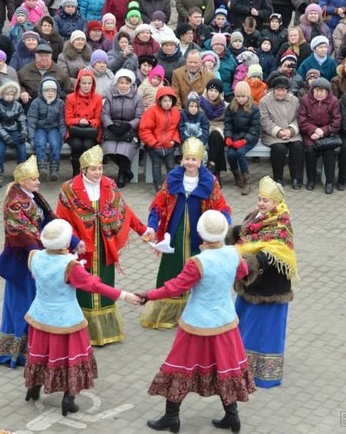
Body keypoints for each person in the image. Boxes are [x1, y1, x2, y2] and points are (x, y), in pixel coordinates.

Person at [139, 209, 255, 433]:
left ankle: (172, 417)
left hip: (197, 324)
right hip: (225, 322)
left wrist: (147, 295)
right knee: (226, 368)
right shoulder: (233, 253)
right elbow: (242, 272)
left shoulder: (197, 262)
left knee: (179, 368)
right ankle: (232, 416)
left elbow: (175, 287)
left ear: (201, 234)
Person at [23, 218, 142, 415]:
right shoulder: (70, 265)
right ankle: (68, 399)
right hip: (66, 319)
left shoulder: (34, 256)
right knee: (71, 358)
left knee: (41, 353)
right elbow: (93, 286)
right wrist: (123, 295)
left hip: (40, 315)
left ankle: (33, 388)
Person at [54, 145, 151, 347]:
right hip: (81, 248)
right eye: (93, 169)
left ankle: (106, 331)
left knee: (104, 285)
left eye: (100, 168)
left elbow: (125, 210)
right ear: (83, 170)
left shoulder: (108, 185)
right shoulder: (68, 190)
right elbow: (62, 221)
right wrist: (74, 241)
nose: (98, 173)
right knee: (84, 286)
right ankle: (83, 333)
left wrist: (142, 229)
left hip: (105, 245)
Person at [0, 156, 82, 367]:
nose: (38, 182)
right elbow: (24, 233)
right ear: (22, 181)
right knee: (23, 304)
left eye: (37, 178)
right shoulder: (14, 203)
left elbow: (52, 220)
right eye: (34, 179)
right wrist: (39, 256)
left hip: (36, 259)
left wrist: (73, 240)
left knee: (35, 301)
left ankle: (35, 347)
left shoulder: (33, 196)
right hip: (23, 263)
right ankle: (16, 352)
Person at [140, 138, 231, 330]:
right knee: (171, 270)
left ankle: (194, 313)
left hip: (200, 237)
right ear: (182, 159)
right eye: (187, 158)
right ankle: (168, 314)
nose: (190, 162)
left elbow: (221, 207)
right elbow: (158, 205)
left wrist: (224, 227)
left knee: (198, 270)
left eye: (194, 159)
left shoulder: (210, 181)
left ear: (200, 161)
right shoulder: (173, 178)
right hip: (175, 233)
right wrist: (151, 226)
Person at [230, 175, 297, 390]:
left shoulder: (280, 225)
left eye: (266, 200)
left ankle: (265, 374)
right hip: (250, 285)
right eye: (259, 198)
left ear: (277, 203)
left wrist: (247, 263)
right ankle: (239, 367)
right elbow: (244, 233)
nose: (261, 203)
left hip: (269, 290)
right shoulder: (257, 216)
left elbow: (270, 256)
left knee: (264, 333)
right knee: (243, 327)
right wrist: (224, 237)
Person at [260, 75, 304, 189]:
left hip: (292, 133)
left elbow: (299, 117)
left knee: (298, 147)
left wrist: (291, 130)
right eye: (278, 90)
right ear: (273, 90)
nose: (280, 93)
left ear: (287, 90)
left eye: (283, 90)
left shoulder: (294, 100)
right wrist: (278, 132)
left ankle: (296, 177)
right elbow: (264, 120)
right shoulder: (265, 101)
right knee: (279, 148)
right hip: (272, 135)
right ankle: (278, 177)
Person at [298, 77, 341, 193]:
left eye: (322, 91)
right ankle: (311, 179)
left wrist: (323, 131)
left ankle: (330, 181)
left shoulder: (334, 101)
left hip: (327, 134)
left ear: (327, 92)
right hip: (310, 134)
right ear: (312, 90)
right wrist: (313, 130)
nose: (319, 93)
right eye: (316, 90)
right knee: (310, 150)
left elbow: (336, 121)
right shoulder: (305, 100)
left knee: (329, 152)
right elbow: (302, 120)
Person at [102, 68, 144, 187]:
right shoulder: (110, 95)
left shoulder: (137, 98)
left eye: (127, 82)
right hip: (112, 128)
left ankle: (121, 175)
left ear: (131, 83)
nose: (124, 85)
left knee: (125, 149)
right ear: (116, 83)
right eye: (121, 82)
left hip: (129, 130)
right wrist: (110, 125)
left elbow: (139, 116)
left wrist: (128, 125)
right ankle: (126, 170)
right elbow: (105, 113)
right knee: (108, 149)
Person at [139, 86, 182, 193]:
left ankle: (172, 186)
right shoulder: (151, 112)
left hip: (169, 144)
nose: (167, 103)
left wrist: (174, 140)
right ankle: (158, 187)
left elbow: (176, 129)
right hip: (154, 145)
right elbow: (144, 129)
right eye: (165, 100)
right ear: (159, 101)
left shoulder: (175, 112)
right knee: (156, 165)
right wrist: (153, 143)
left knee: (170, 165)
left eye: (170, 100)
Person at [64, 69, 102, 177]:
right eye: (84, 83)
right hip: (75, 130)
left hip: (90, 131)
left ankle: (87, 172)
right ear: (79, 83)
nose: (86, 86)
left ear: (93, 84)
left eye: (89, 83)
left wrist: (89, 122)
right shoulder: (70, 98)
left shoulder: (97, 98)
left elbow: (98, 119)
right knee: (76, 145)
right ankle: (76, 172)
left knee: (88, 145)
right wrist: (79, 121)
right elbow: (68, 119)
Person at [225, 80, 261, 195]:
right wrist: (228, 136)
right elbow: (228, 124)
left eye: (243, 96)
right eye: (238, 96)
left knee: (240, 153)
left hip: (249, 137)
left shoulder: (254, 109)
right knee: (230, 154)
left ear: (248, 96)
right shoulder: (231, 107)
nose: (241, 99)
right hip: (236, 136)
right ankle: (237, 176)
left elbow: (254, 128)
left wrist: (245, 140)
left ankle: (246, 182)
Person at [0, 81, 28, 188]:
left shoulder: (18, 105)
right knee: (0, 150)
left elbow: (22, 120)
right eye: (7, 94)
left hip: (14, 131)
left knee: (22, 148)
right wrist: (6, 137)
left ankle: (21, 174)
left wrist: (24, 132)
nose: (9, 97)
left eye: (12, 94)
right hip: (0, 134)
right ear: (2, 94)